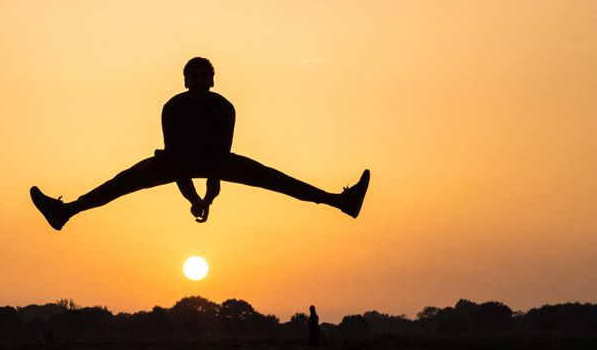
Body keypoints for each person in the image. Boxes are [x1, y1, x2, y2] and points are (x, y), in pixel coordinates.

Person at [30, 57, 369, 230]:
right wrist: (194, 199)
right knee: (121, 183)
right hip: (173, 162)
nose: (198, 80)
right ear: (185, 80)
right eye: (193, 76)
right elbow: (177, 164)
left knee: (277, 180)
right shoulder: (172, 107)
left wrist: (208, 196)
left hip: (215, 162)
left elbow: (220, 161)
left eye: (203, 75)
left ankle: (342, 202)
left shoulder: (225, 107)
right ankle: (66, 212)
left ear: (212, 79)